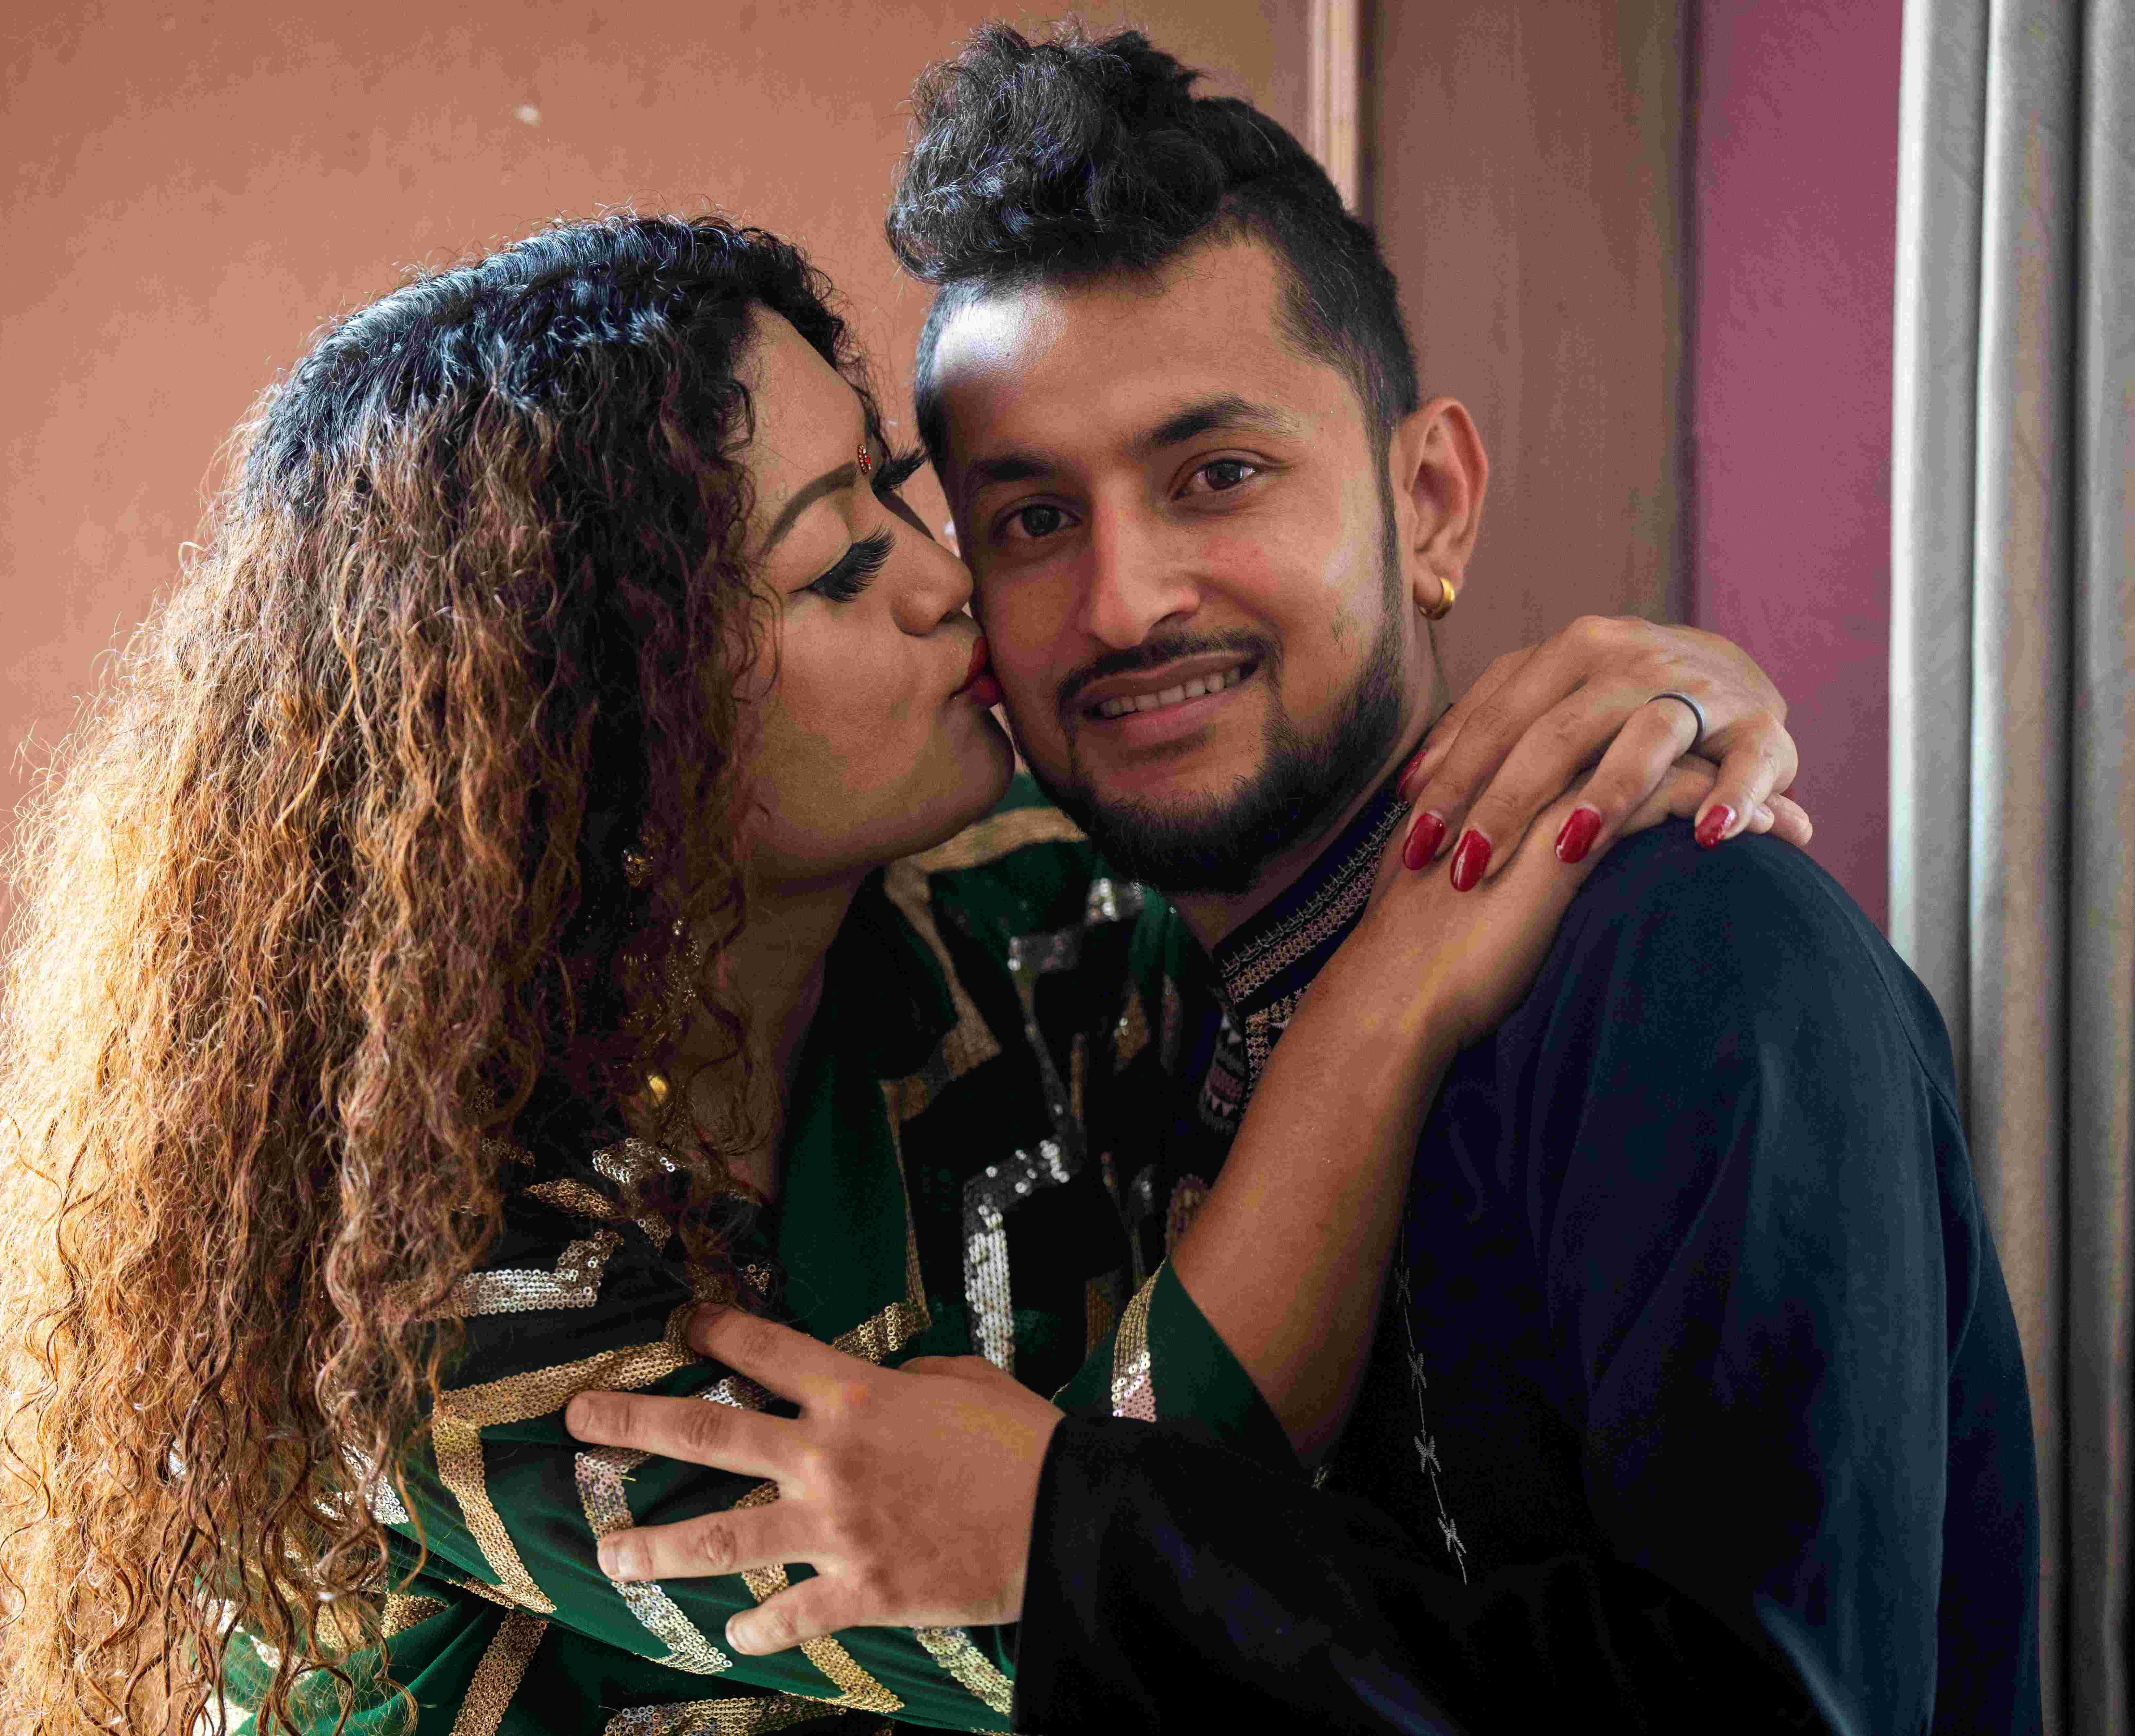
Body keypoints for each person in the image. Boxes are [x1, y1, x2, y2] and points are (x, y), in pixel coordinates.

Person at [0, 212, 1807, 1736]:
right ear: (597, 744)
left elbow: (1316, 836)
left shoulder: (1021, 919)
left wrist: (1659, 707)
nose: (950, 585)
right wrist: (1400, 990)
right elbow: (1113, 1588)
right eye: (843, 568)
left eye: (905, 501)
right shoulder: (422, 1285)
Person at [571, 27, 2041, 1736]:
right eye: (1034, 520)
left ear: (1430, 503)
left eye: (1219, 476)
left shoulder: (1700, 955)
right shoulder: (1093, 1000)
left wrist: (1064, 1533)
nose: (1126, 603)